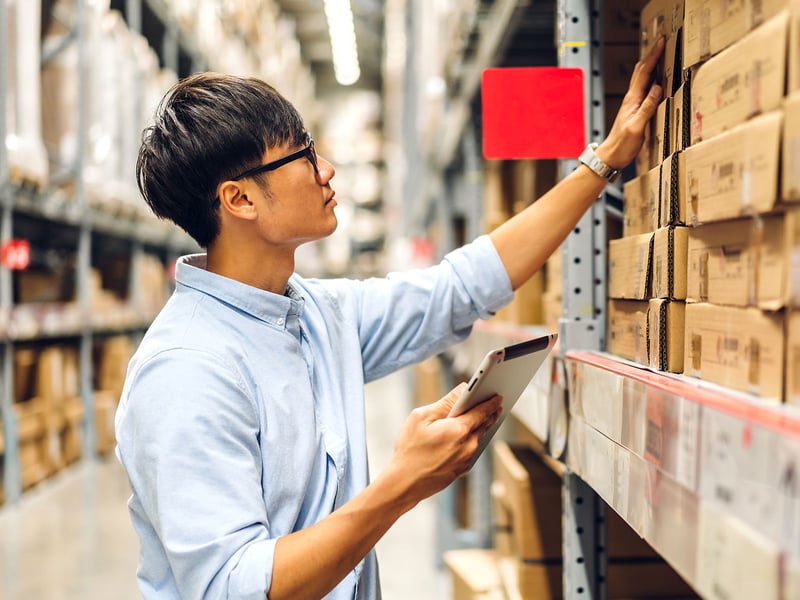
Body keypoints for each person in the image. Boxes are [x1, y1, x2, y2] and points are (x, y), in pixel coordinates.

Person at [114, 35, 665, 600]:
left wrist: (601, 164)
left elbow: (460, 286)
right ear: (240, 200)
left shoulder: (317, 315)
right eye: (302, 156)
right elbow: (234, 587)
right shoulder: (186, 372)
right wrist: (403, 483)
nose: (326, 169)